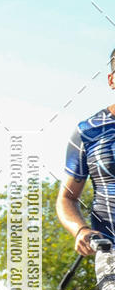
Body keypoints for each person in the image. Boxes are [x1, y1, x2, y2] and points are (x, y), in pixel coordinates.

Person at [57, 53, 115, 251]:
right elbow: (67, 198)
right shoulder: (88, 131)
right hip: (110, 251)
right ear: (111, 80)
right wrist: (80, 230)